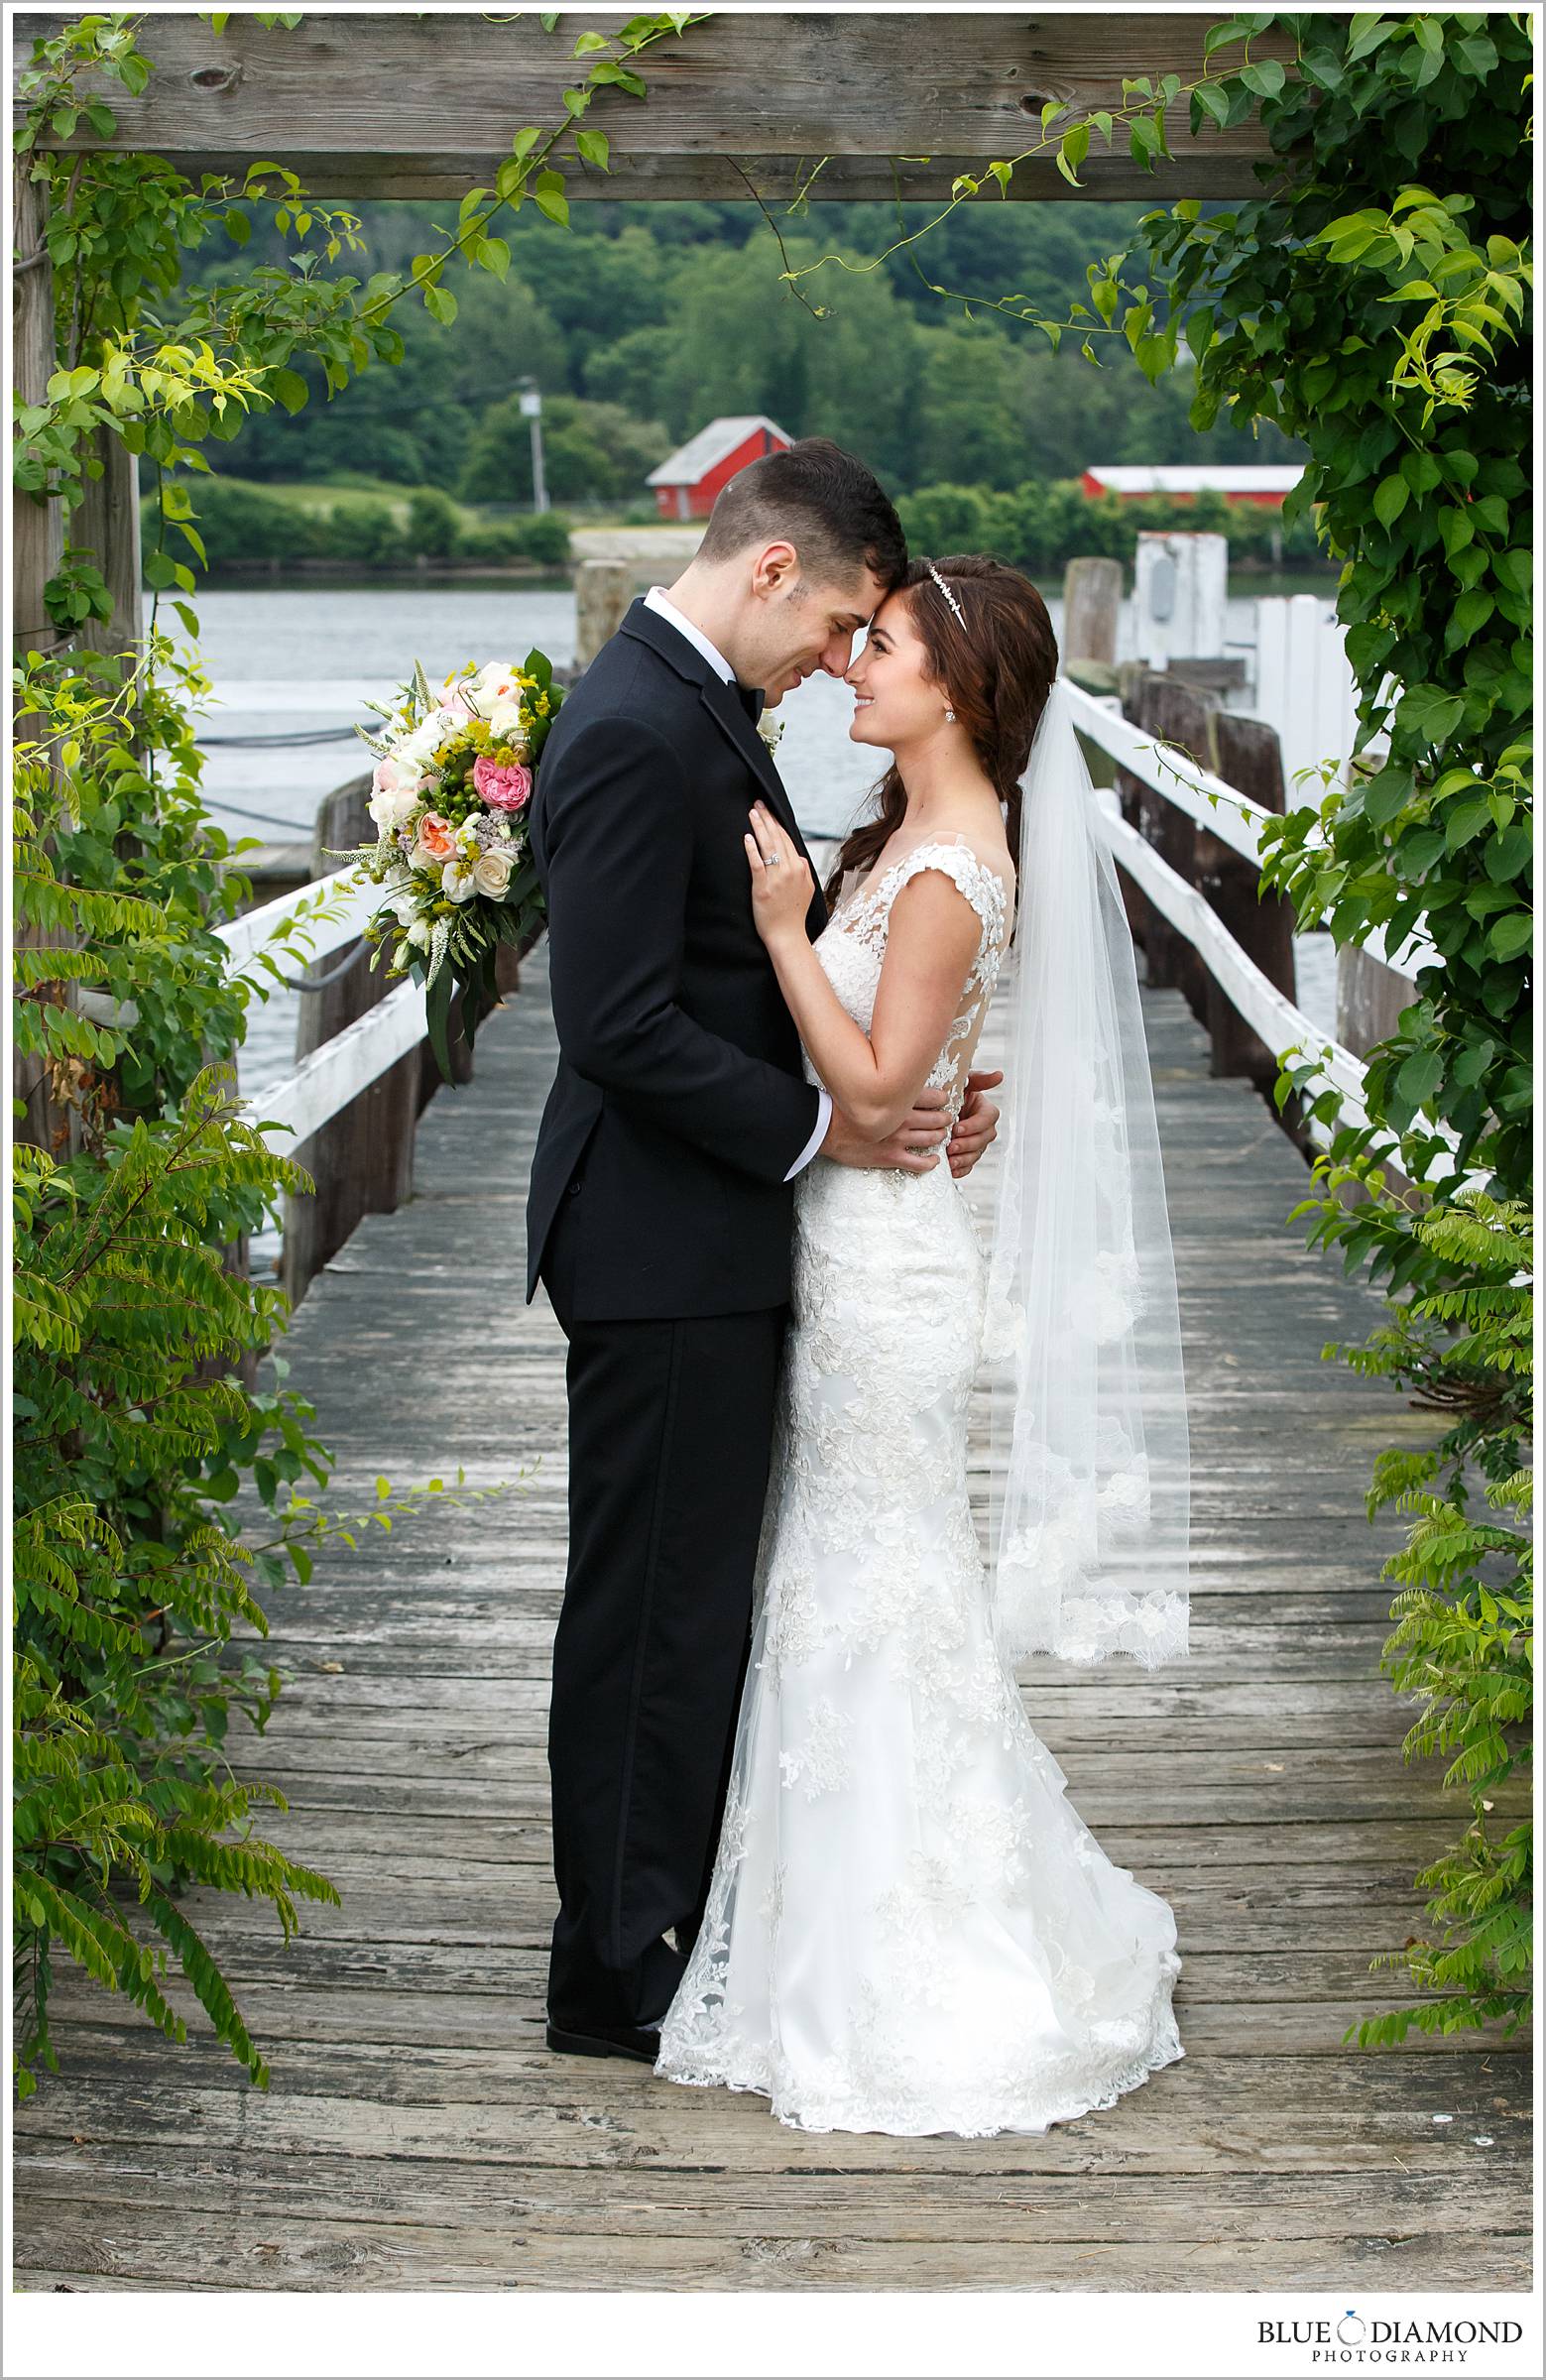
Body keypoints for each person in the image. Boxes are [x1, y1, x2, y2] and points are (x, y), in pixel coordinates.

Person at [654, 554, 1191, 2136]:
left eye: (877, 649)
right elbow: (924, 1080)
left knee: (873, 1578)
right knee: (845, 1572)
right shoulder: (920, 838)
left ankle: (911, 1951)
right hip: (862, 1243)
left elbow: (879, 1089)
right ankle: (833, 1928)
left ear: (952, 688)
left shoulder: (956, 865)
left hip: (882, 1278)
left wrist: (775, 929)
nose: (852, 669)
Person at [525, 445, 1004, 2063]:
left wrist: (909, 1083)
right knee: (650, 1610)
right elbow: (614, 1025)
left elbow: (726, 976)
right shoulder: (633, 722)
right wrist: (825, 1130)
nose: (838, 661)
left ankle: (650, 1913)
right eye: (844, 623)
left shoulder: (692, 699)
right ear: (777, 572)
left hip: (716, 1231)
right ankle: (611, 1968)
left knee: (690, 1604)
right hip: (664, 1240)